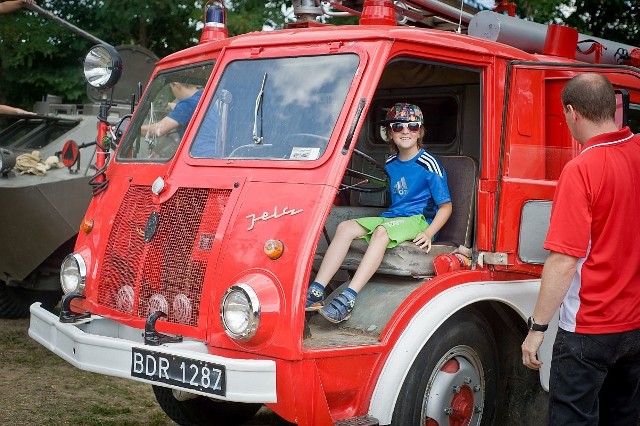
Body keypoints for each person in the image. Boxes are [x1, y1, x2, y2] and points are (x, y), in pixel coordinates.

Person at [521, 73, 640, 425]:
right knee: (624, 417)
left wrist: (537, 328)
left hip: (590, 330)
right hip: (635, 327)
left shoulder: (582, 169)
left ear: (572, 113)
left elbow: (563, 261)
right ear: (612, 108)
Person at [306, 103, 452, 323]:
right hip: (394, 217)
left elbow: (446, 207)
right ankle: (316, 292)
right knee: (345, 227)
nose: (405, 131)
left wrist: (430, 232)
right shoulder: (390, 163)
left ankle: (348, 298)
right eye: (398, 126)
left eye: (412, 126)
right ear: (390, 133)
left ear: (420, 131)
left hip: (419, 221)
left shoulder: (428, 163)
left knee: (381, 231)